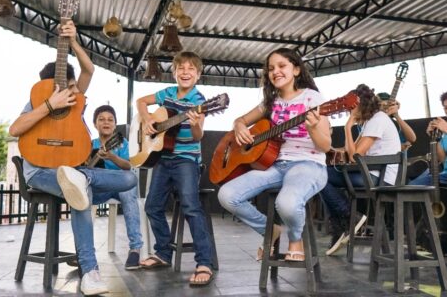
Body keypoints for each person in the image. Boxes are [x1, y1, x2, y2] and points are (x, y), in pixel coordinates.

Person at [9, 21, 137, 296]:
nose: (64, 93)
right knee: (82, 195)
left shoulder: (75, 97)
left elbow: (89, 69)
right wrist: (48, 106)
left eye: (67, 88)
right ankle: (90, 272)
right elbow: (14, 129)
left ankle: (81, 178)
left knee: (127, 177)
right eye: (57, 89)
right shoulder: (37, 100)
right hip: (41, 173)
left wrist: (74, 40)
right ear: (44, 87)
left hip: (74, 169)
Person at [218, 47, 331, 262]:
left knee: (286, 202)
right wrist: (238, 125)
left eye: (282, 66)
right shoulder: (270, 102)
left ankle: (295, 240)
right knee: (227, 195)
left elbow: (325, 146)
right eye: (271, 68)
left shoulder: (313, 98)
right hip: (276, 166)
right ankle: (270, 231)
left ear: (296, 70)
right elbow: (241, 120)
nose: (275, 72)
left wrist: (314, 128)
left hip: (309, 164)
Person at [136, 51, 215, 286]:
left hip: (186, 160)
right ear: (174, 72)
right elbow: (141, 102)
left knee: (191, 207)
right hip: (163, 157)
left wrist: (195, 125)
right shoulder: (167, 93)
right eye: (181, 68)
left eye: (191, 69)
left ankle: (204, 262)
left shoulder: (199, 101)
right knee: (152, 206)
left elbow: (198, 136)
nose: (185, 72)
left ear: (198, 75)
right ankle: (162, 253)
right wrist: (148, 119)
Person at [321, 84, 401, 256]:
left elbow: (354, 156)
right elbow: (350, 151)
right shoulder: (371, 122)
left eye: (352, 107)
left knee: (319, 176)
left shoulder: (378, 119)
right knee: (319, 177)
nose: (350, 111)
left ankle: (349, 217)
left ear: (362, 105)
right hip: (371, 173)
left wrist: (347, 127)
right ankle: (343, 222)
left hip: (381, 178)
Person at [90, 104, 143, 270]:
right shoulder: (90, 144)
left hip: (121, 187)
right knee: (82, 193)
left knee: (128, 190)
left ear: (115, 124)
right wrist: (93, 160)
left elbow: (128, 166)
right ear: (95, 124)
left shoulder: (122, 144)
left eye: (110, 120)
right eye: (101, 119)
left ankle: (135, 248)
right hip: (99, 189)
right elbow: (86, 169)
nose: (106, 123)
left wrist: (112, 157)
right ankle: (84, 252)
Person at [410, 92, 447, 186]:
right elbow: (442, 159)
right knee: (410, 186)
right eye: (446, 108)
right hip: (444, 175)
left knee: (412, 188)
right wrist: (434, 137)